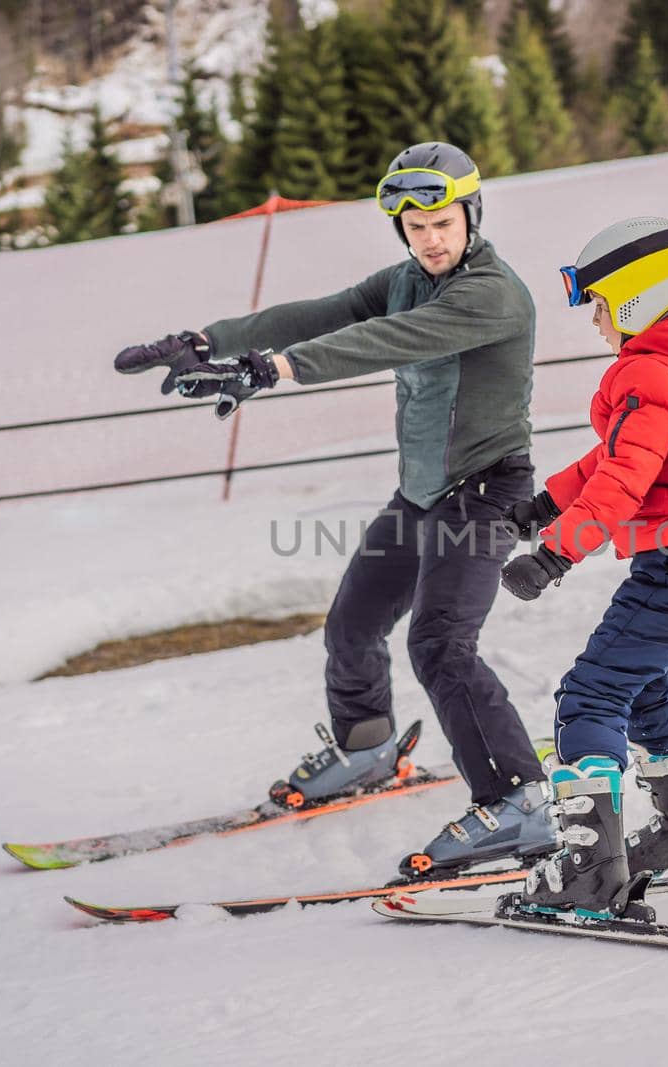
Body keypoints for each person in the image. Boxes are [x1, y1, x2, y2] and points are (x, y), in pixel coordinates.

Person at [113, 143, 552, 876]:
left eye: (443, 222)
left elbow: (386, 340)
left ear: (471, 214)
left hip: (485, 493)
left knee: (441, 645)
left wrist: (277, 368)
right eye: (416, 229)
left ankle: (518, 799)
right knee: (352, 626)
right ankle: (366, 746)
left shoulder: (491, 294)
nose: (431, 239)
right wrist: (208, 340)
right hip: (419, 495)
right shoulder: (407, 280)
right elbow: (323, 312)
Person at [498, 216, 668, 920]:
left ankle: (589, 874)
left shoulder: (649, 370)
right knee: (644, 690)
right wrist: (540, 508)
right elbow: (612, 459)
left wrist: (557, 553)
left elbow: (626, 475)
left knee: (589, 697)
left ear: (636, 299)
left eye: (598, 304)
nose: (593, 321)